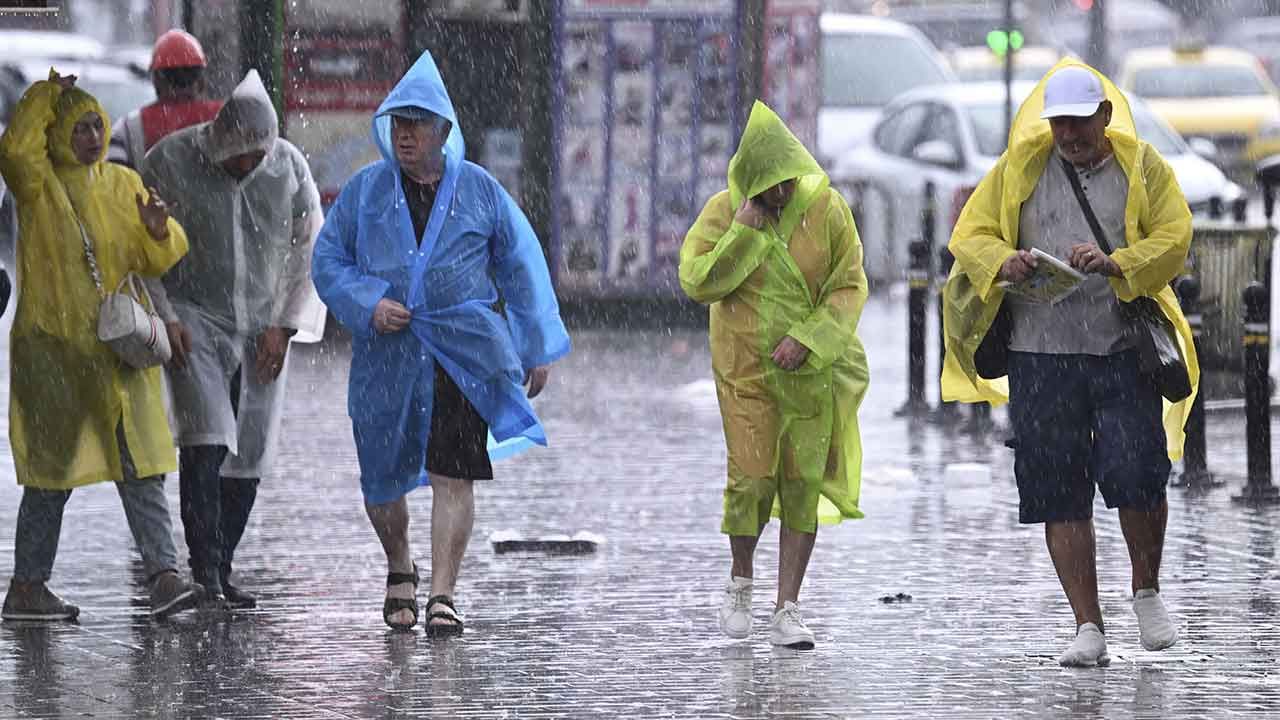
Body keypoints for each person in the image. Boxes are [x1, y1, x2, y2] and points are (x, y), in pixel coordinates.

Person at [941, 62, 1199, 667]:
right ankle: (1087, 624)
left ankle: (1146, 590)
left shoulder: (1142, 167)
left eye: (1080, 123)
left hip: (1118, 351)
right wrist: (1004, 261)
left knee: (1137, 475)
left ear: (1105, 117)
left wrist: (1118, 262)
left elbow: (1175, 236)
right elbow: (971, 234)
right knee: (1057, 490)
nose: (1069, 135)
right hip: (1040, 356)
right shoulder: (1021, 168)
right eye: (1059, 123)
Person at [311, 51, 570, 634]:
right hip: (387, 357)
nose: (404, 134)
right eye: (397, 122)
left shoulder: (479, 190)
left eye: (417, 122)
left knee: (455, 472)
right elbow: (328, 259)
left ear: (443, 130)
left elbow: (520, 266)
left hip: (462, 353)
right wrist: (369, 303)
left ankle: (443, 594)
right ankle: (400, 564)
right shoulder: (365, 191)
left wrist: (534, 343)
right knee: (382, 477)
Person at [0, 70, 203, 621]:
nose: (92, 136)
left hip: (119, 353)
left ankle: (164, 577)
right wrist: (44, 97)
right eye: (79, 126)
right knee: (50, 475)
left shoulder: (119, 183)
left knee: (140, 467)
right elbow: (15, 153)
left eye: (97, 124)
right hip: (55, 356)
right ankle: (26, 588)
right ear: (58, 132)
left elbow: (157, 257)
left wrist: (158, 230)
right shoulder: (37, 186)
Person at [679, 101, 869, 650]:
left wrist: (809, 339)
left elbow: (848, 284)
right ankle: (741, 582)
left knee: (801, 484)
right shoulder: (725, 211)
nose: (781, 193)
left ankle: (788, 606)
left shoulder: (828, 210)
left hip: (810, 373)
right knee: (752, 479)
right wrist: (743, 232)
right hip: (745, 373)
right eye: (770, 183)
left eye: (787, 181)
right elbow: (699, 281)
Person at [139, 69, 326, 609]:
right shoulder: (169, 161)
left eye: (256, 155)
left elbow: (307, 247)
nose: (247, 166)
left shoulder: (287, 166)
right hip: (195, 315)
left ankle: (223, 562)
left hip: (263, 321)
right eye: (239, 155)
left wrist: (284, 325)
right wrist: (166, 315)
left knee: (250, 450)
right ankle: (205, 570)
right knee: (206, 438)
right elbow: (140, 247)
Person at [108, 29, 221, 170]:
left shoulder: (128, 127)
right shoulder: (224, 116)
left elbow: (114, 180)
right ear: (202, 80)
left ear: (156, 81)